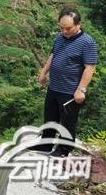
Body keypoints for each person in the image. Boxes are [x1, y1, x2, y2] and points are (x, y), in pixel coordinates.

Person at [35, 8, 98, 158]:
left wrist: (81, 89)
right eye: (62, 28)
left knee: (68, 122)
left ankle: (63, 150)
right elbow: (54, 55)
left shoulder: (87, 42)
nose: (65, 31)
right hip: (54, 87)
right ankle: (45, 145)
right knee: (50, 117)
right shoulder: (60, 37)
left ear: (79, 24)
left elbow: (90, 68)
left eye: (68, 28)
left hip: (70, 91)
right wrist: (44, 72)